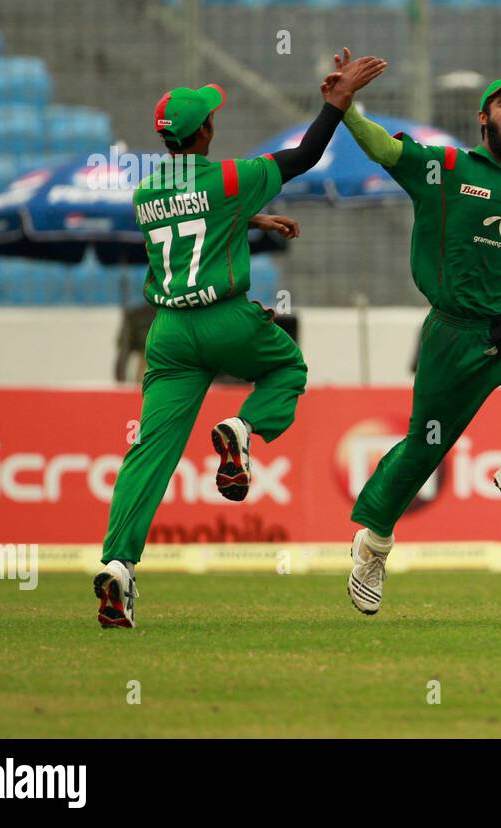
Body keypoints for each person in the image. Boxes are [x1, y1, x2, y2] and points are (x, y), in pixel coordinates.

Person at [93, 54, 387, 629]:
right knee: (287, 370)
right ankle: (243, 430)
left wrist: (254, 220)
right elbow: (304, 156)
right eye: (209, 118)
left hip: (170, 334)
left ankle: (118, 566)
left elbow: (188, 222)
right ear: (205, 132)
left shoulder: (146, 193)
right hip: (227, 320)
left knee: (149, 456)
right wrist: (336, 102)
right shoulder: (232, 178)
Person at [328, 52, 501, 616]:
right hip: (453, 338)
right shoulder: (446, 168)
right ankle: (373, 546)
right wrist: (346, 108)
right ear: (485, 119)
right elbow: (386, 149)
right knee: (423, 450)